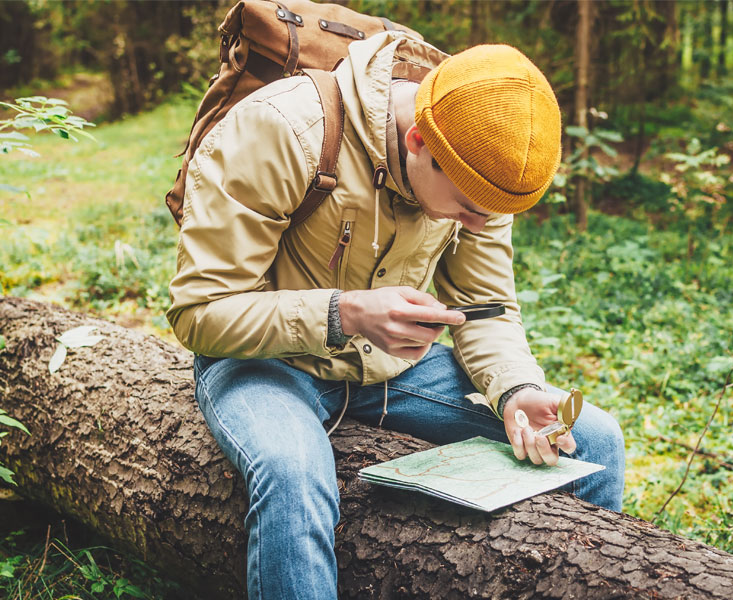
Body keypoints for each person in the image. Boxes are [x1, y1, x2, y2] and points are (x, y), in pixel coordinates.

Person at [167, 30, 624, 600]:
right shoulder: (281, 130)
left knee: (594, 438)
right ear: (417, 140)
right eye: (466, 209)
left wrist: (515, 389)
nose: (478, 225)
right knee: (291, 470)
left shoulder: (478, 167)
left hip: (393, 369)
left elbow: (485, 307)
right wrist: (346, 313)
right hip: (264, 362)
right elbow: (200, 311)